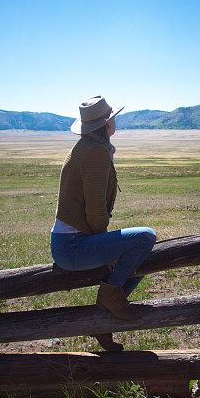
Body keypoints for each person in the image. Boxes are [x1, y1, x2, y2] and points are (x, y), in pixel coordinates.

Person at [50, 96, 157, 352]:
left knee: (142, 258)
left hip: (70, 242)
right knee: (146, 238)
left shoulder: (87, 147)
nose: (115, 122)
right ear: (106, 124)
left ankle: (104, 318)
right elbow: (96, 211)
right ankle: (109, 300)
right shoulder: (96, 151)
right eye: (112, 118)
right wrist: (107, 248)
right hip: (73, 246)